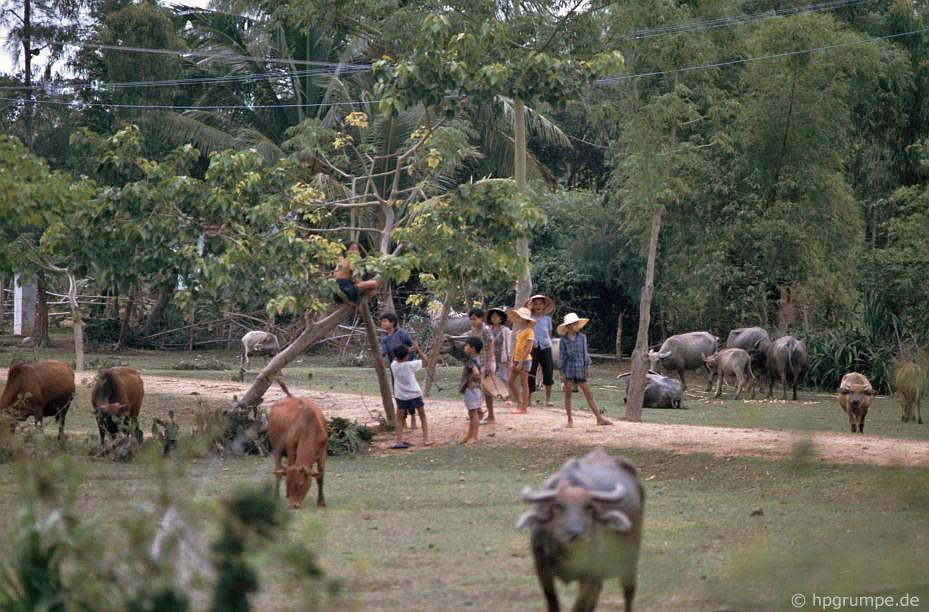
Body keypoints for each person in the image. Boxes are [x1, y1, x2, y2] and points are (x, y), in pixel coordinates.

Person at [557, 312, 613, 428]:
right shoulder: (564, 340)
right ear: (568, 326)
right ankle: (569, 420)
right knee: (568, 395)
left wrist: (587, 367)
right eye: (574, 324)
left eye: (577, 323)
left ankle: (599, 418)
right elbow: (562, 356)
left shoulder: (582, 337)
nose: (576, 326)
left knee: (588, 394)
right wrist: (561, 372)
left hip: (580, 369)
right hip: (568, 369)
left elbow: (585, 353)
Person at [379, 312, 419, 429]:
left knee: (410, 391)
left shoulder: (402, 334)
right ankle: (403, 419)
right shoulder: (384, 339)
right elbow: (382, 351)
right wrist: (379, 355)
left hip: (406, 367)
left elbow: (413, 347)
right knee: (398, 393)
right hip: (395, 370)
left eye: (385, 321)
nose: (383, 324)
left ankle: (413, 416)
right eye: (382, 321)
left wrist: (408, 355)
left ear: (392, 323)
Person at [389, 344, 432, 449]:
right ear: (407, 356)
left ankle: (399, 441)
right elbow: (426, 360)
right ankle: (426, 439)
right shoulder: (411, 365)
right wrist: (418, 349)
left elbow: (397, 357)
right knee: (422, 416)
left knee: (399, 419)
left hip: (401, 395)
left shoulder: (393, 365)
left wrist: (407, 350)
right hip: (414, 394)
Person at [525, 294, 556, 406]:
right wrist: (528, 309)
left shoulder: (547, 319)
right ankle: (528, 400)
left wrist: (549, 345)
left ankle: (548, 400)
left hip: (546, 347)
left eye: (540, 303)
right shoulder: (529, 318)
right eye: (535, 303)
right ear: (532, 306)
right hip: (532, 347)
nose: (538, 306)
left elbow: (549, 334)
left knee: (548, 372)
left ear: (544, 306)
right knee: (531, 372)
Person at [467, 308, 496, 424]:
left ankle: (491, 415)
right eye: (471, 319)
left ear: (481, 318)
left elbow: (491, 346)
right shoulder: (473, 330)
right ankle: (479, 412)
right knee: (475, 388)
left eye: (475, 319)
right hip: (477, 364)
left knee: (487, 391)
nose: (472, 321)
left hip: (486, 363)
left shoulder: (485, 329)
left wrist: (489, 364)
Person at [507, 306, 535, 414]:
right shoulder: (519, 332)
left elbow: (528, 348)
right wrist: (512, 360)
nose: (520, 319)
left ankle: (523, 407)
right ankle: (519, 402)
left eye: (521, 318)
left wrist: (521, 362)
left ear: (526, 319)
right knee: (510, 381)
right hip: (516, 359)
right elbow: (516, 347)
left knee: (524, 383)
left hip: (525, 360)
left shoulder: (529, 331)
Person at [460, 337, 484, 444]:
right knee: (472, 413)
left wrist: (469, 381)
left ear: (472, 348)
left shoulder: (471, 360)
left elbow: (476, 372)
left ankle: (474, 436)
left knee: (473, 413)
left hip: (472, 390)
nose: (465, 347)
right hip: (477, 389)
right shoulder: (477, 359)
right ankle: (470, 435)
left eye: (467, 345)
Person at [487, 307, 512, 405]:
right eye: (493, 316)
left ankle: (506, 397)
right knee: (490, 377)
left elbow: (508, 345)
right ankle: (491, 396)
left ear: (501, 318)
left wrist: (509, 358)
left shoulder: (505, 330)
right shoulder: (488, 329)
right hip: (491, 357)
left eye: (497, 316)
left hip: (502, 357)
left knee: (503, 377)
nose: (495, 318)